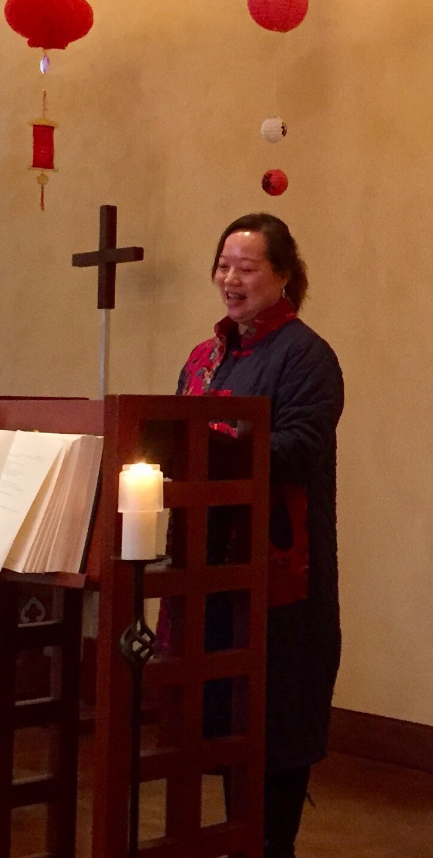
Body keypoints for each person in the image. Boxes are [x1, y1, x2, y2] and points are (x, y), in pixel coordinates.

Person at [158, 213, 343, 858]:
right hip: (206, 564)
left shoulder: (307, 355)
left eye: (247, 267)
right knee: (215, 711)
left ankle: (270, 844)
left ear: (284, 276)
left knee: (275, 711)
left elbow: (298, 448)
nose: (230, 279)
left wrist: (217, 441)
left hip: (277, 570)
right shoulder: (203, 357)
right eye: (223, 265)